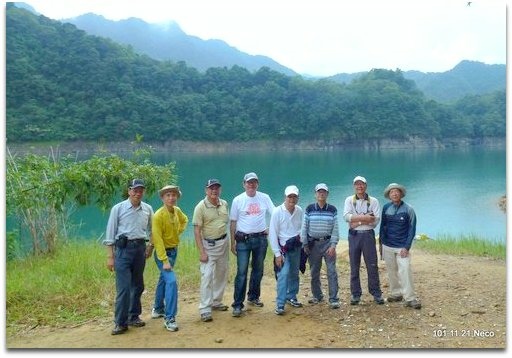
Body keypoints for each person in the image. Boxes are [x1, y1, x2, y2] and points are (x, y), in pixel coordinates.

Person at [104, 179, 154, 335]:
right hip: (123, 251)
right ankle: (120, 322)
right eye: (135, 190)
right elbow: (110, 234)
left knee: (138, 285)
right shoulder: (118, 209)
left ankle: (134, 316)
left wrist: (150, 247)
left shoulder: (147, 209)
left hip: (140, 249)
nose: (138, 193)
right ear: (129, 191)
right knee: (124, 288)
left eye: (141, 190)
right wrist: (110, 257)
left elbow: (153, 230)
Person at [230, 172, 275, 317]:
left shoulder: (264, 197)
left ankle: (253, 296)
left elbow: (275, 213)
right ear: (244, 184)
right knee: (242, 272)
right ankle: (237, 304)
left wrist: (271, 228)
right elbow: (233, 222)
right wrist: (233, 242)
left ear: (258, 184)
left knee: (258, 270)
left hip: (261, 239)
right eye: (249, 182)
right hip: (243, 240)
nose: (251, 185)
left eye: (254, 182)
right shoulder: (238, 200)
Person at [150, 185, 189, 331]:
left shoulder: (177, 211)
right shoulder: (158, 216)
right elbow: (157, 240)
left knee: (163, 280)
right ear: (162, 198)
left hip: (174, 251)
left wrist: (177, 231)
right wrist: (164, 260)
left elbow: (185, 220)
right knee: (171, 282)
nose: (171, 198)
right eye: (168, 195)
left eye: (173, 195)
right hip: (163, 254)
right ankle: (170, 318)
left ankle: (158, 309)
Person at [192, 179, 230, 323]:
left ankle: (216, 301)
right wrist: (202, 251)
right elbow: (196, 231)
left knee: (222, 272)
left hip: (224, 242)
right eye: (211, 188)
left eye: (217, 188)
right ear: (206, 190)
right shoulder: (200, 207)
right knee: (207, 276)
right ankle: (205, 309)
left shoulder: (224, 203)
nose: (214, 190)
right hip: (209, 245)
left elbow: (225, 223)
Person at [343, 176, 384, 305]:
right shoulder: (349, 200)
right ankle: (356, 294)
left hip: (368, 235)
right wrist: (364, 218)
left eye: (362, 184)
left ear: (366, 186)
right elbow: (346, 217)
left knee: (372, 265)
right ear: (354, 186)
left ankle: (376, 293)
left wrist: (356, 221)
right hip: (354, 235)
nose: (359, 186)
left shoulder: (374, 201)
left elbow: (375, 220)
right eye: (357, 184)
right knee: (354, 265)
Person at [379, 183, 421, 309]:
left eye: (397, 192)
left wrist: (406, 247)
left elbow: (412, 229)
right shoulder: (386, 207)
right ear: (389, 195)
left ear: (401, 194)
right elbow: (383, 227)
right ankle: (396, 293)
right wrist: (381, 244)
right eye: (392, 192)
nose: (395, 194)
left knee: (405, 270)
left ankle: (410, 298)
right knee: (391, 271)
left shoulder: (409, 209)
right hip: (388, 245)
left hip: (402, 246)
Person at [301, 183, 341, 309]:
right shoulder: (309, 208)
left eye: (324, 192)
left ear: (327, 194)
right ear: (315, 194)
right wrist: (305, 243)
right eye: (319, 192)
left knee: (331, 271)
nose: (321, 194)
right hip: (313, 244)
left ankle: (333, 298)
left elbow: (335, 228)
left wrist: (333, 245)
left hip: (328, 244)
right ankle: (317, 296)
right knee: (314, 271)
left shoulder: (332, 209)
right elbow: (304, 227)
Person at [269, 185, 304, 315]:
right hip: (283, 250)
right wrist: (277, 254)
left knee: (294, 273)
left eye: (294, 196)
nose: (292, 199)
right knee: (283, 275)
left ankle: (292, 296)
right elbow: (273, 233)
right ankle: (280, 303)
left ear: (298, 198)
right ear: (285, 197)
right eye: (290, 196)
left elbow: (301, 227)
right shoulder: (277, 212)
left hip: (296, 247)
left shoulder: (299, 211)